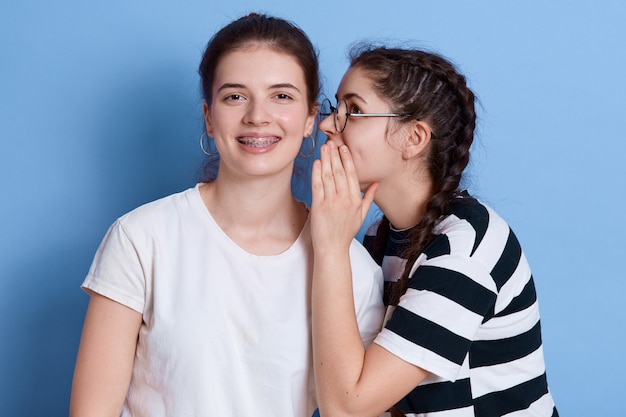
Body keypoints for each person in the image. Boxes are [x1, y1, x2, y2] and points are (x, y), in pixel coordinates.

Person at [69, 14, 384, 417]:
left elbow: (351, 406)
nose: (257, 115)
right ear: (209, 118)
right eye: (235, 96)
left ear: (309, 119)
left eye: (282, 96)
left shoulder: (351, 268)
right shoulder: (141, 238)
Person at [310, 45, 558, 417]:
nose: (328, 124)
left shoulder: (466, 249)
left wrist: (330, 247)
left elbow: (347, 406)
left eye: (355, 111)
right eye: (336, 108)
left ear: (413, 139)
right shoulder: (382, 237)